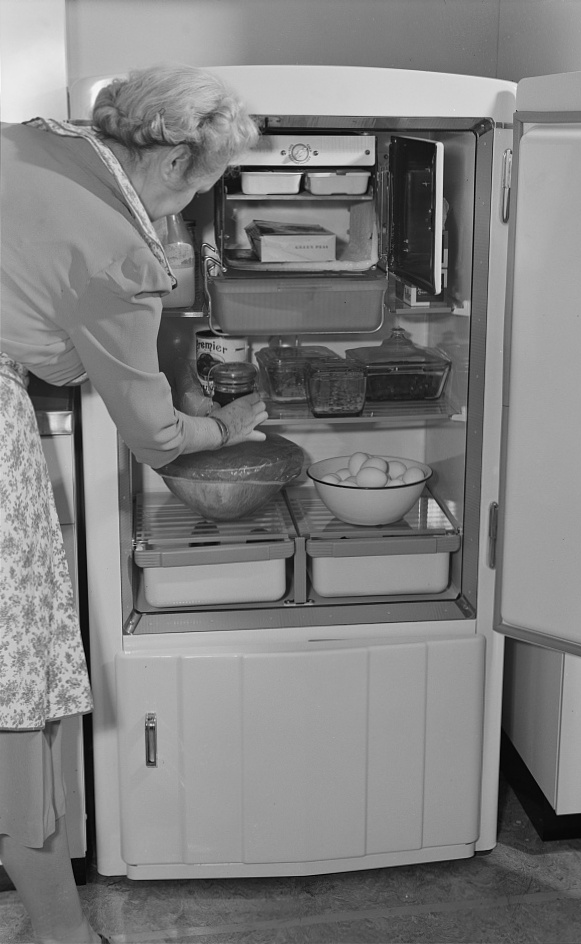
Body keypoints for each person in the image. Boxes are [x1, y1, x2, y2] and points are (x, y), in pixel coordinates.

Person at [0, 64, 265, 944]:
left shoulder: (32, 139)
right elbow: (150, 432)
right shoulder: (121, 253)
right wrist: (225, 427)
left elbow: (34, 313)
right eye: (204, 187)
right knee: (15, 695)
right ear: (175, 159)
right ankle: (63, 934)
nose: (194, 209)